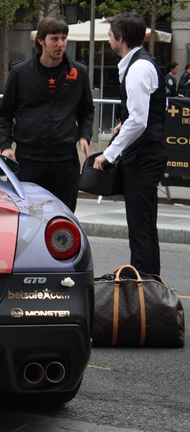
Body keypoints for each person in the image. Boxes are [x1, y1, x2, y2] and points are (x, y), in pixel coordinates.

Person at [93, 12, 168, 276]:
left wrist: (109, 154)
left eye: (110, 35)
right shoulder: (140, 64)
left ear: (120, 38)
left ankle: (143, 284)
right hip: (147, 153)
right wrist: (123, 124)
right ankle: (148, 282)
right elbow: (141, 116)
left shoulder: (138, 68)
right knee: (144, 224)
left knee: (140, 225)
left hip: (144, 156)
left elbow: (139, 120)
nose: (109, 40)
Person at [0, 16, 94, 213]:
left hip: (65, 160)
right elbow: (5, 113)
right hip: (28, 159)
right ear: (41, 41)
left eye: (64, 38)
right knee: (28, 216)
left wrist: (84, 135)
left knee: (64, 217)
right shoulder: (20, 72)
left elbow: (87, 110)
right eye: (54, 39)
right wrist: (5, 146)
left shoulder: (78, 72)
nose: (60, 44)